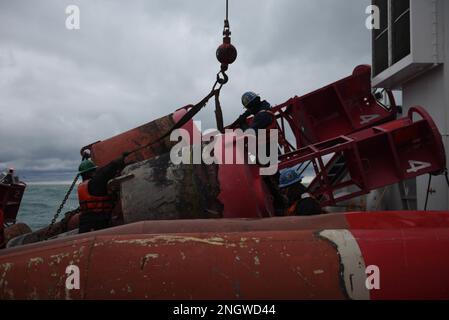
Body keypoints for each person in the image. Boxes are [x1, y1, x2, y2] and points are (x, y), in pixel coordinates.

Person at [77, 152, 129, 233]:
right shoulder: (95, 183)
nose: (95, 172)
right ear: (90, 172)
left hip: (85, 223)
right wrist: (121, 158)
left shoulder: (82, 186)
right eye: (94, 171)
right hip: (98, 223)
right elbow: (107, 170)